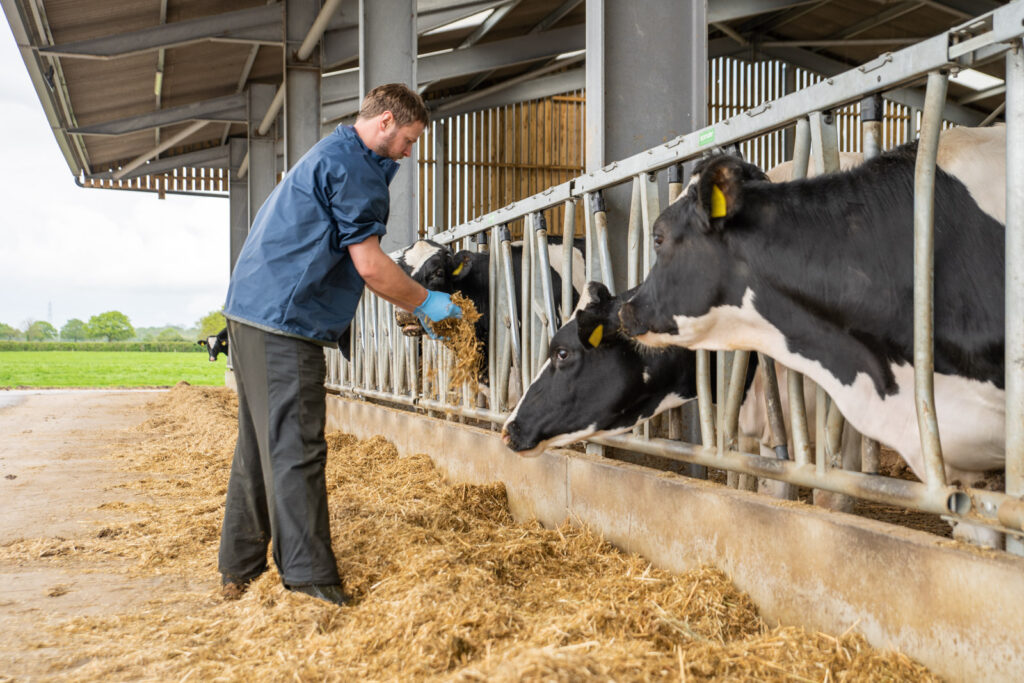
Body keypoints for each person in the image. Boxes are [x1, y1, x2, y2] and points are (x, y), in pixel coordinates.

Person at [218, 83, 461, 606]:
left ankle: (238, 569)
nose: (409, 151)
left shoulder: (333, 152)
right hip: (284, 321)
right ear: (386, 121)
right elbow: (371, 266)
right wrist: (426, 301)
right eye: (409, 139)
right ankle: (309, 583)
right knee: (296, 448)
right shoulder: (355, 169)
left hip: (252, 313)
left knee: (260, 448)